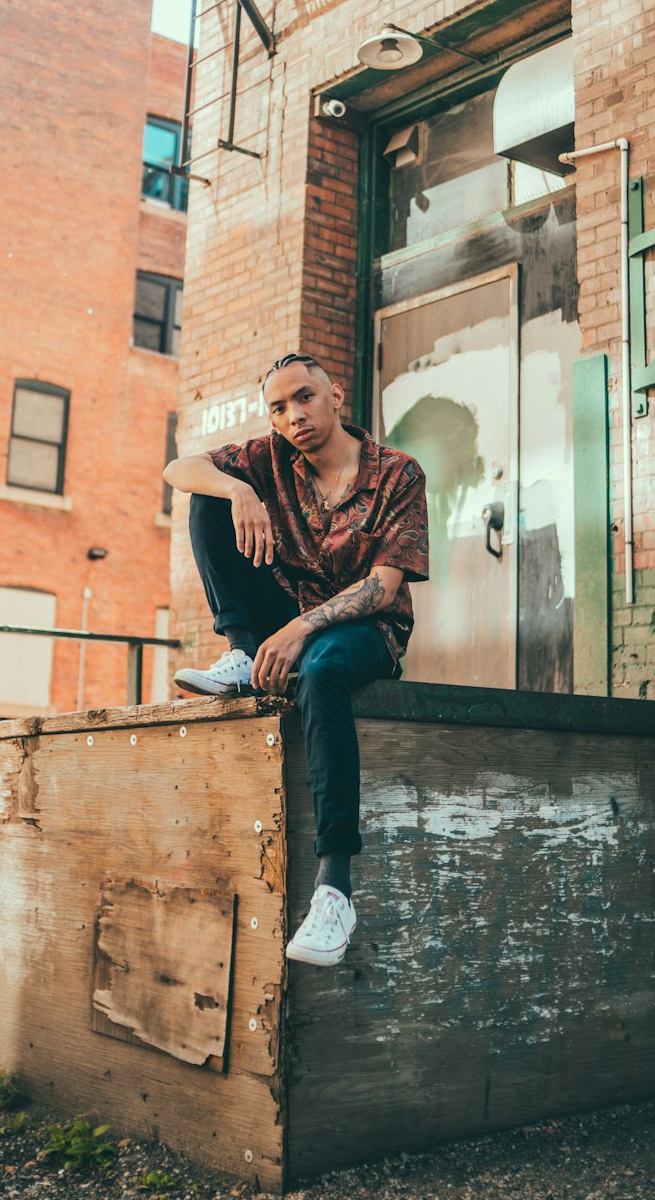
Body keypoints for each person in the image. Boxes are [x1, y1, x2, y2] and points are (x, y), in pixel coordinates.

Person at [163, 352, 428, 968]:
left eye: (304, 398)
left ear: (336, 396)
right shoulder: (270, 461)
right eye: (278, 408)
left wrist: (299, 631)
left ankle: (335, 888)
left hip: (364, 629)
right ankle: (241, 654)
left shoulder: (396, 474)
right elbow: (181, 467)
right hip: (284, 613)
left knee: (321, 669)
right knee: (207, 498)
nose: (293, 416)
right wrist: (236, 491)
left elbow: (384, 587)